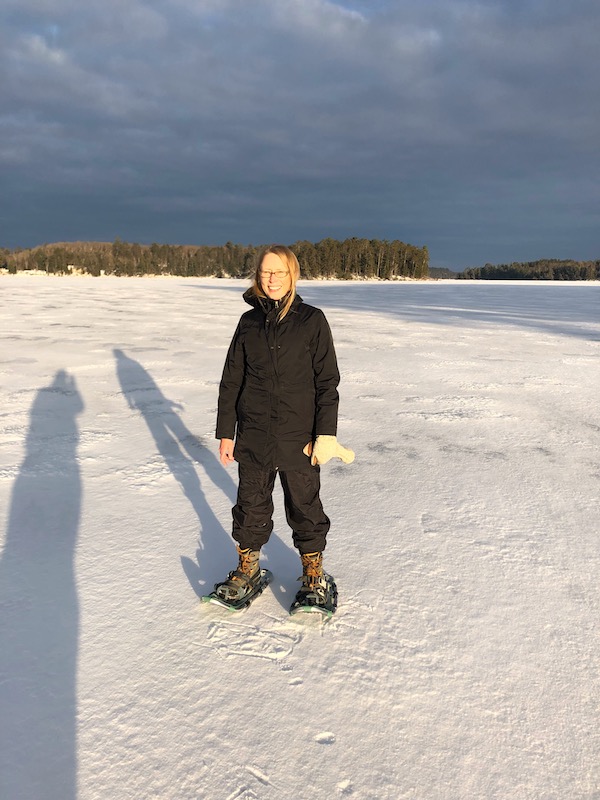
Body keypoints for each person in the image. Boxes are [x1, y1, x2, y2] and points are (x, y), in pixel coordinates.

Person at [215, 244, 354, 609]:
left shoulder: (312, 320)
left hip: (299, 438)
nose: (271, 279)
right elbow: (232, 380)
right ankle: (248, 570)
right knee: (250, 506)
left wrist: (325, 434)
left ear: (293, 275)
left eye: (279, 272)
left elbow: (328, 382)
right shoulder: (248, 323)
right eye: (265, 272)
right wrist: (226, 432)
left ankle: (314, 576)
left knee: (305, 507)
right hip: (255, 434)